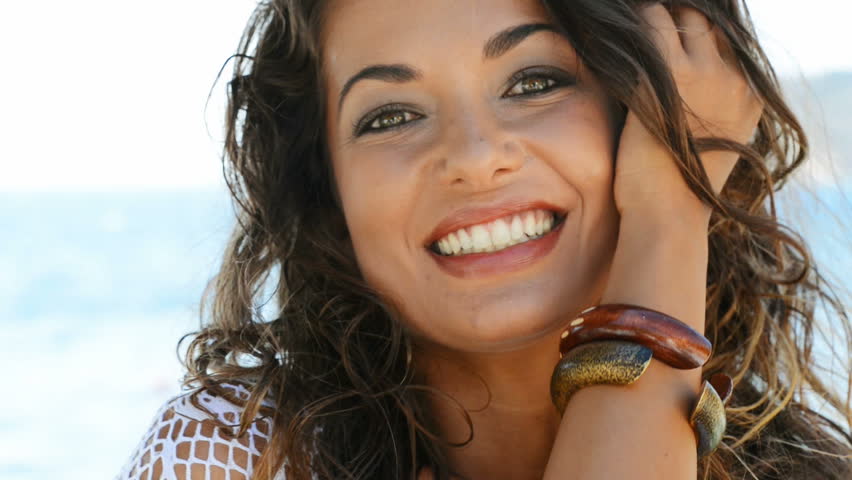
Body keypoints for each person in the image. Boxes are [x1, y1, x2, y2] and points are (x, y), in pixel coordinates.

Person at [116, 0, 852, 479]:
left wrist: (670, 202)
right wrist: (670, 212)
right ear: (328, 190)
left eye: (533, 82)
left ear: (647, 114)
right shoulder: (233, 454)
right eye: (390, 116)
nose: (472, 156)